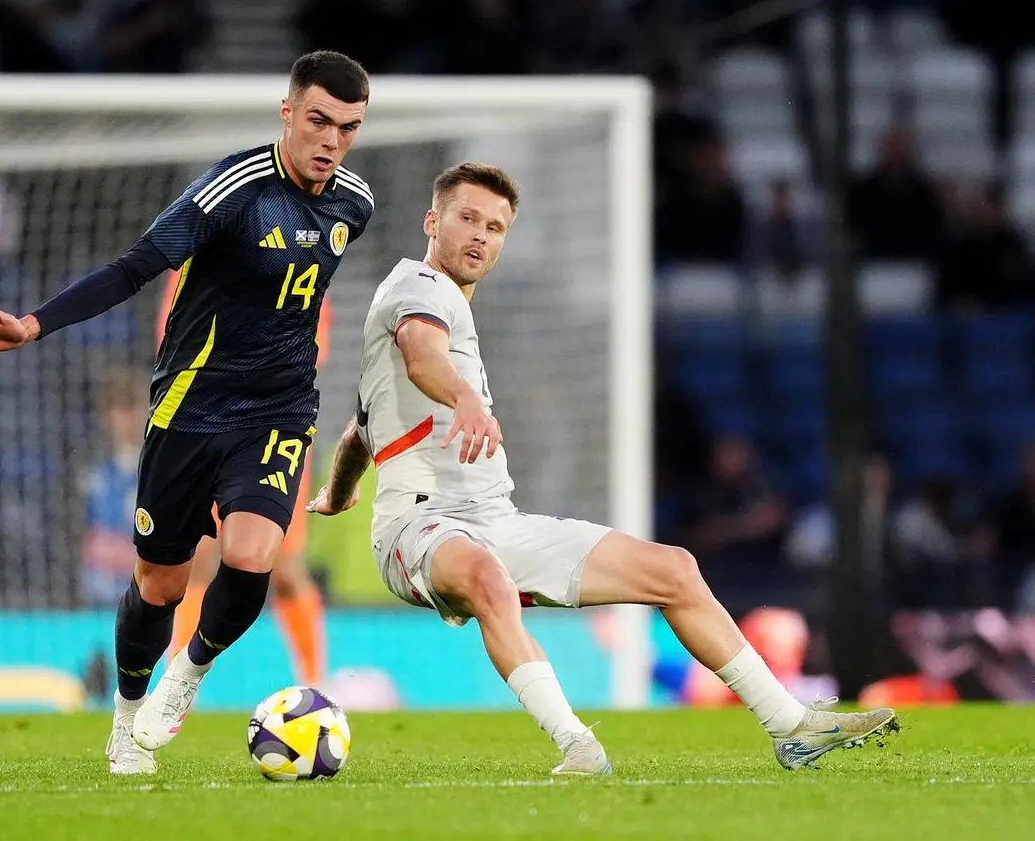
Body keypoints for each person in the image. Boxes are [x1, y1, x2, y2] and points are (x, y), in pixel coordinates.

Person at [305, 161, 898, 775]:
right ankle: (577, 745)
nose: (480, 235)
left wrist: (339, 491)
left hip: (492, 520)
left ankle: (790, 725)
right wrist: (466, 399)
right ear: (433, 221)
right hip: (419, 528)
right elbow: (422, 355)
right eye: (467, 218)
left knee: (673, 570)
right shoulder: (420, 288)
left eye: (495, 226)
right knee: (488, 578)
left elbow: (360, 428)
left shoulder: (444, 305)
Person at [0, 50, 375, 775]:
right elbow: (134, 266)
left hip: (277, 411)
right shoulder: (232, 189)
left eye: (348, 128)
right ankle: (125, 717)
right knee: (160, 586)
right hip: (189, 410)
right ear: (288, 112)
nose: (331, 141)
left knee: (252, 556)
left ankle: (188, 671)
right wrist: (35, 325)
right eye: (318, 121)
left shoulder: (354, 203)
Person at [157, 280, 331, 687]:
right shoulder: (195, 267)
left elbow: (309, 350)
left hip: (275, 433)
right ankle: (175, 689)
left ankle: (314, 684)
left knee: (284, 568)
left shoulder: (305, 259)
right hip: (205, 425)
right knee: (197, 557)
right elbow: (175, 341)